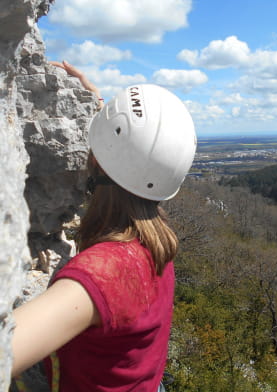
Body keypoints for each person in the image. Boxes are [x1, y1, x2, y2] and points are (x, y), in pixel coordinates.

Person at [11, 61, 197, 392]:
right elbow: (137, 162)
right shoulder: (153, 240)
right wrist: (98, 112)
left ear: (94, 160)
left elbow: (5, 352)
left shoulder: (102, 274)